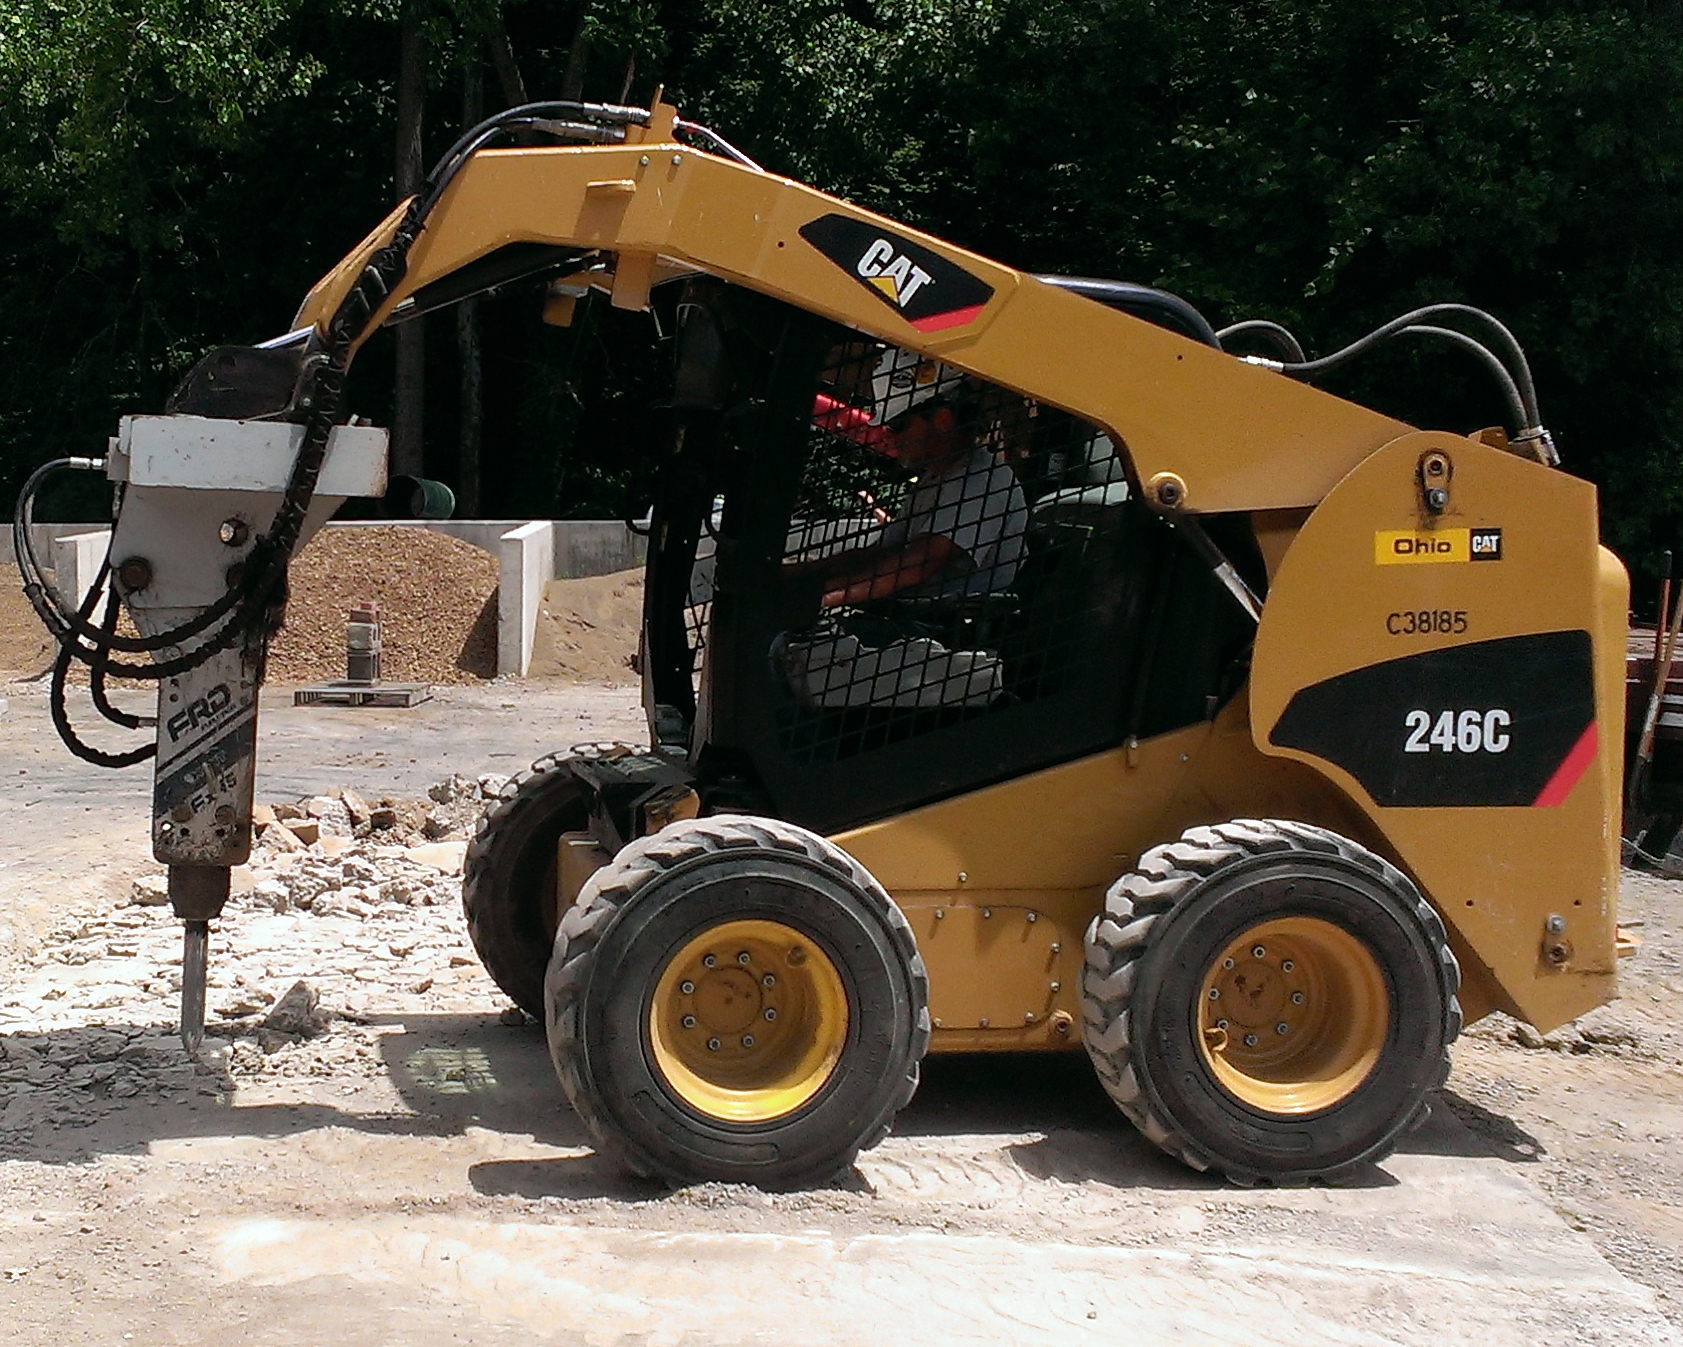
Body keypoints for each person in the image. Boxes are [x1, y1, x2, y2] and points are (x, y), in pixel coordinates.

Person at [785, 384, 1028, 615]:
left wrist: (818, 598)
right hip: (910, 613)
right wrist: (800, 572)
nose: (890, 439)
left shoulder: (981, 479)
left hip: (948, 626)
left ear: (943, 421)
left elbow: (915, 567)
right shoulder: (936, 477)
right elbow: (879, 554)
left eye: (898, 425)